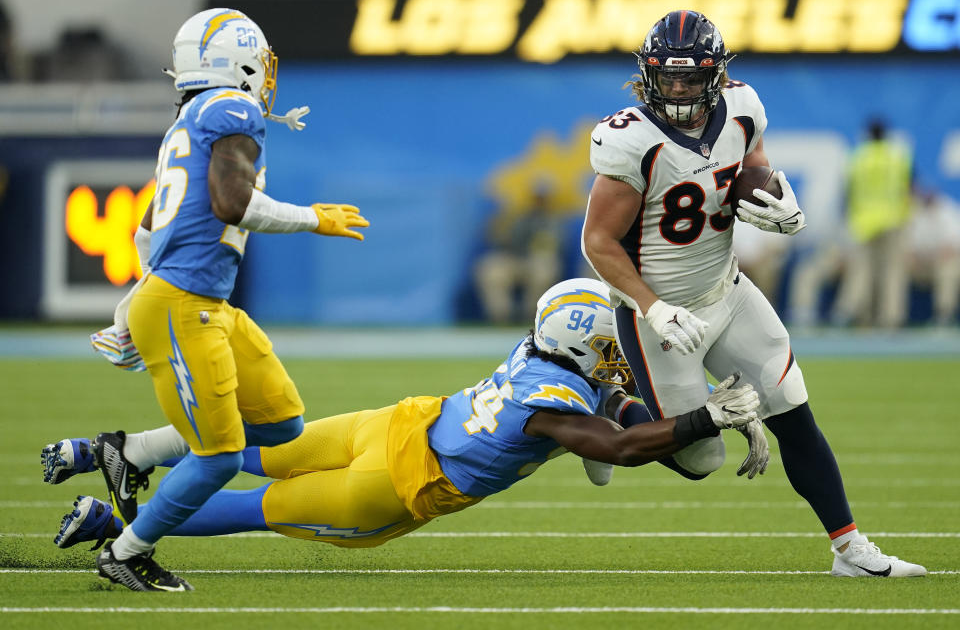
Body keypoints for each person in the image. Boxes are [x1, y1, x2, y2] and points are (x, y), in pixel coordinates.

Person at [43, 279, 760, 578]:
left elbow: (615, 413)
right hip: (394, 484)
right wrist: (705, 419)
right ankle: (114, 524)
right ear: (583, 347)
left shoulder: (537, 350)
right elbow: (618, 446)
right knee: (244, 508)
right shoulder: (555, 398)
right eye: (609, 344)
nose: (619, 356)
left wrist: (689, 423)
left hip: (394, 424)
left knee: (249, 445)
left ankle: (111, 451)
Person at [580, 10, 925, 577]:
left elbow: (752, 172)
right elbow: (598, 242)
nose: (681, 89)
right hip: (660, 316)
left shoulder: (742, 107)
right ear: (649, 75)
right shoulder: (631, 139)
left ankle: (850, 549)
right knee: (700, 458)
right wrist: (653, 306)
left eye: (693, 78)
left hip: (728, 290)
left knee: (792, 405)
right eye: (670, 78)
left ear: (717, 75)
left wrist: (776, 203)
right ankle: (612, 408)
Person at [44, 8, 370, 593]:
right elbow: (232, 204)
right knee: (219, 456)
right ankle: (126, 551)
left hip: (202, 304)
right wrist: (312, 218)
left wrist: (134, 302)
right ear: (238, 60)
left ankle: (129, 452)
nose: (267, 77)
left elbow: (146, 228)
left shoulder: (188, 119)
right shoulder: (232, 107)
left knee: (281, 424)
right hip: (185, 306)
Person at [832, 118, 913, 328]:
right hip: (893, 218)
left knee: (862, 270)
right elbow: (909, 187)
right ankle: (892, 318)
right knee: (892, 271)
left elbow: (847, 191)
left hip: (863, 221)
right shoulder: (897, 156)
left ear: (868, 134)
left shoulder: (859, 157)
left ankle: (856, 314)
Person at [474, 186, 565, 323]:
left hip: (536, 261)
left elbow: (553, 247)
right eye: (536, 197)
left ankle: (533, 316)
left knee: (544, 269)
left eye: (543, 198)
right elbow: (500, 240)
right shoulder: (516, 218)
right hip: (514, 258)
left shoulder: (554, 221)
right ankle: (501, 316)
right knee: (491, 270)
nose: (539, 201)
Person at [907, 189, 960, 326]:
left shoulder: (948, 212)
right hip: (923, 265)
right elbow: (911, 248)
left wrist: (935, 257)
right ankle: (892, 317)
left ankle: (944, 314)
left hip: (943, 263)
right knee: (895, 269)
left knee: (947, 269)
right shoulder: (915, 213)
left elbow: (951, 249)